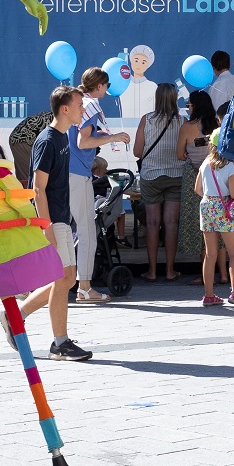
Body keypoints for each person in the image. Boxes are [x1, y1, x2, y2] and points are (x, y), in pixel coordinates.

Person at [17, 86, 93, 361]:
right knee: (63, 279)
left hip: (61, 217)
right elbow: (38, 188)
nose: (82, 110)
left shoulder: (62, 137)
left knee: (67, 278)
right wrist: (46, 226)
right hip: (52, 219)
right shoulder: (48, 140)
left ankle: (17, 315)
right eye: (79, 105)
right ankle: (59, 343)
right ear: (65, 109)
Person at [69, 67, 131, 305]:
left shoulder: (74, 101)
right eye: (105, 86)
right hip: (77, 173)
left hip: (65, 171)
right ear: (98, 86)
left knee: (61, 230)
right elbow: (83, 141)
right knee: (87, 232)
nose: (107, 90)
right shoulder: (91, 105)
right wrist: (114, 137)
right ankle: (84, 288)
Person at [133, 83, 186, 281]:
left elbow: (138, 152)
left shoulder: (147, 120)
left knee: (153, 223)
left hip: (151, 176)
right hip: (176, 175)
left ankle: (153, 271)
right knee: (171, 223)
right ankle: (170, 270)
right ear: (174, 99)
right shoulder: (182, 121)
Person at [194, 129, 234, 308]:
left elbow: (198, 189)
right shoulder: (230, 166)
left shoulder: (205, 163)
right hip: (223, 208)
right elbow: (233, 193)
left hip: (206, 205)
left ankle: (209, 295)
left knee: (210, 254)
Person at [177, 89, 221, 280]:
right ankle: (224, 274)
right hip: (217, 176)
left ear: (195, 106)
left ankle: (206, 274)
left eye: (189, 105)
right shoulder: (217, 124)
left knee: (201, 225)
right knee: (220, 222)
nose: (188, 108)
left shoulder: (188, 127)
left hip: (194, 177)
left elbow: (179, 154)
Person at [119, 44, 157, 117]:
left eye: (143, 62)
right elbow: (108, 90)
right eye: (136, 60)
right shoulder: (124, 83)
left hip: (147, 126)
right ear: (131, 61)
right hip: (125, 126)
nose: (139, 65)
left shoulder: (152, 86)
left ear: (148, 65)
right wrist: (118, 66)